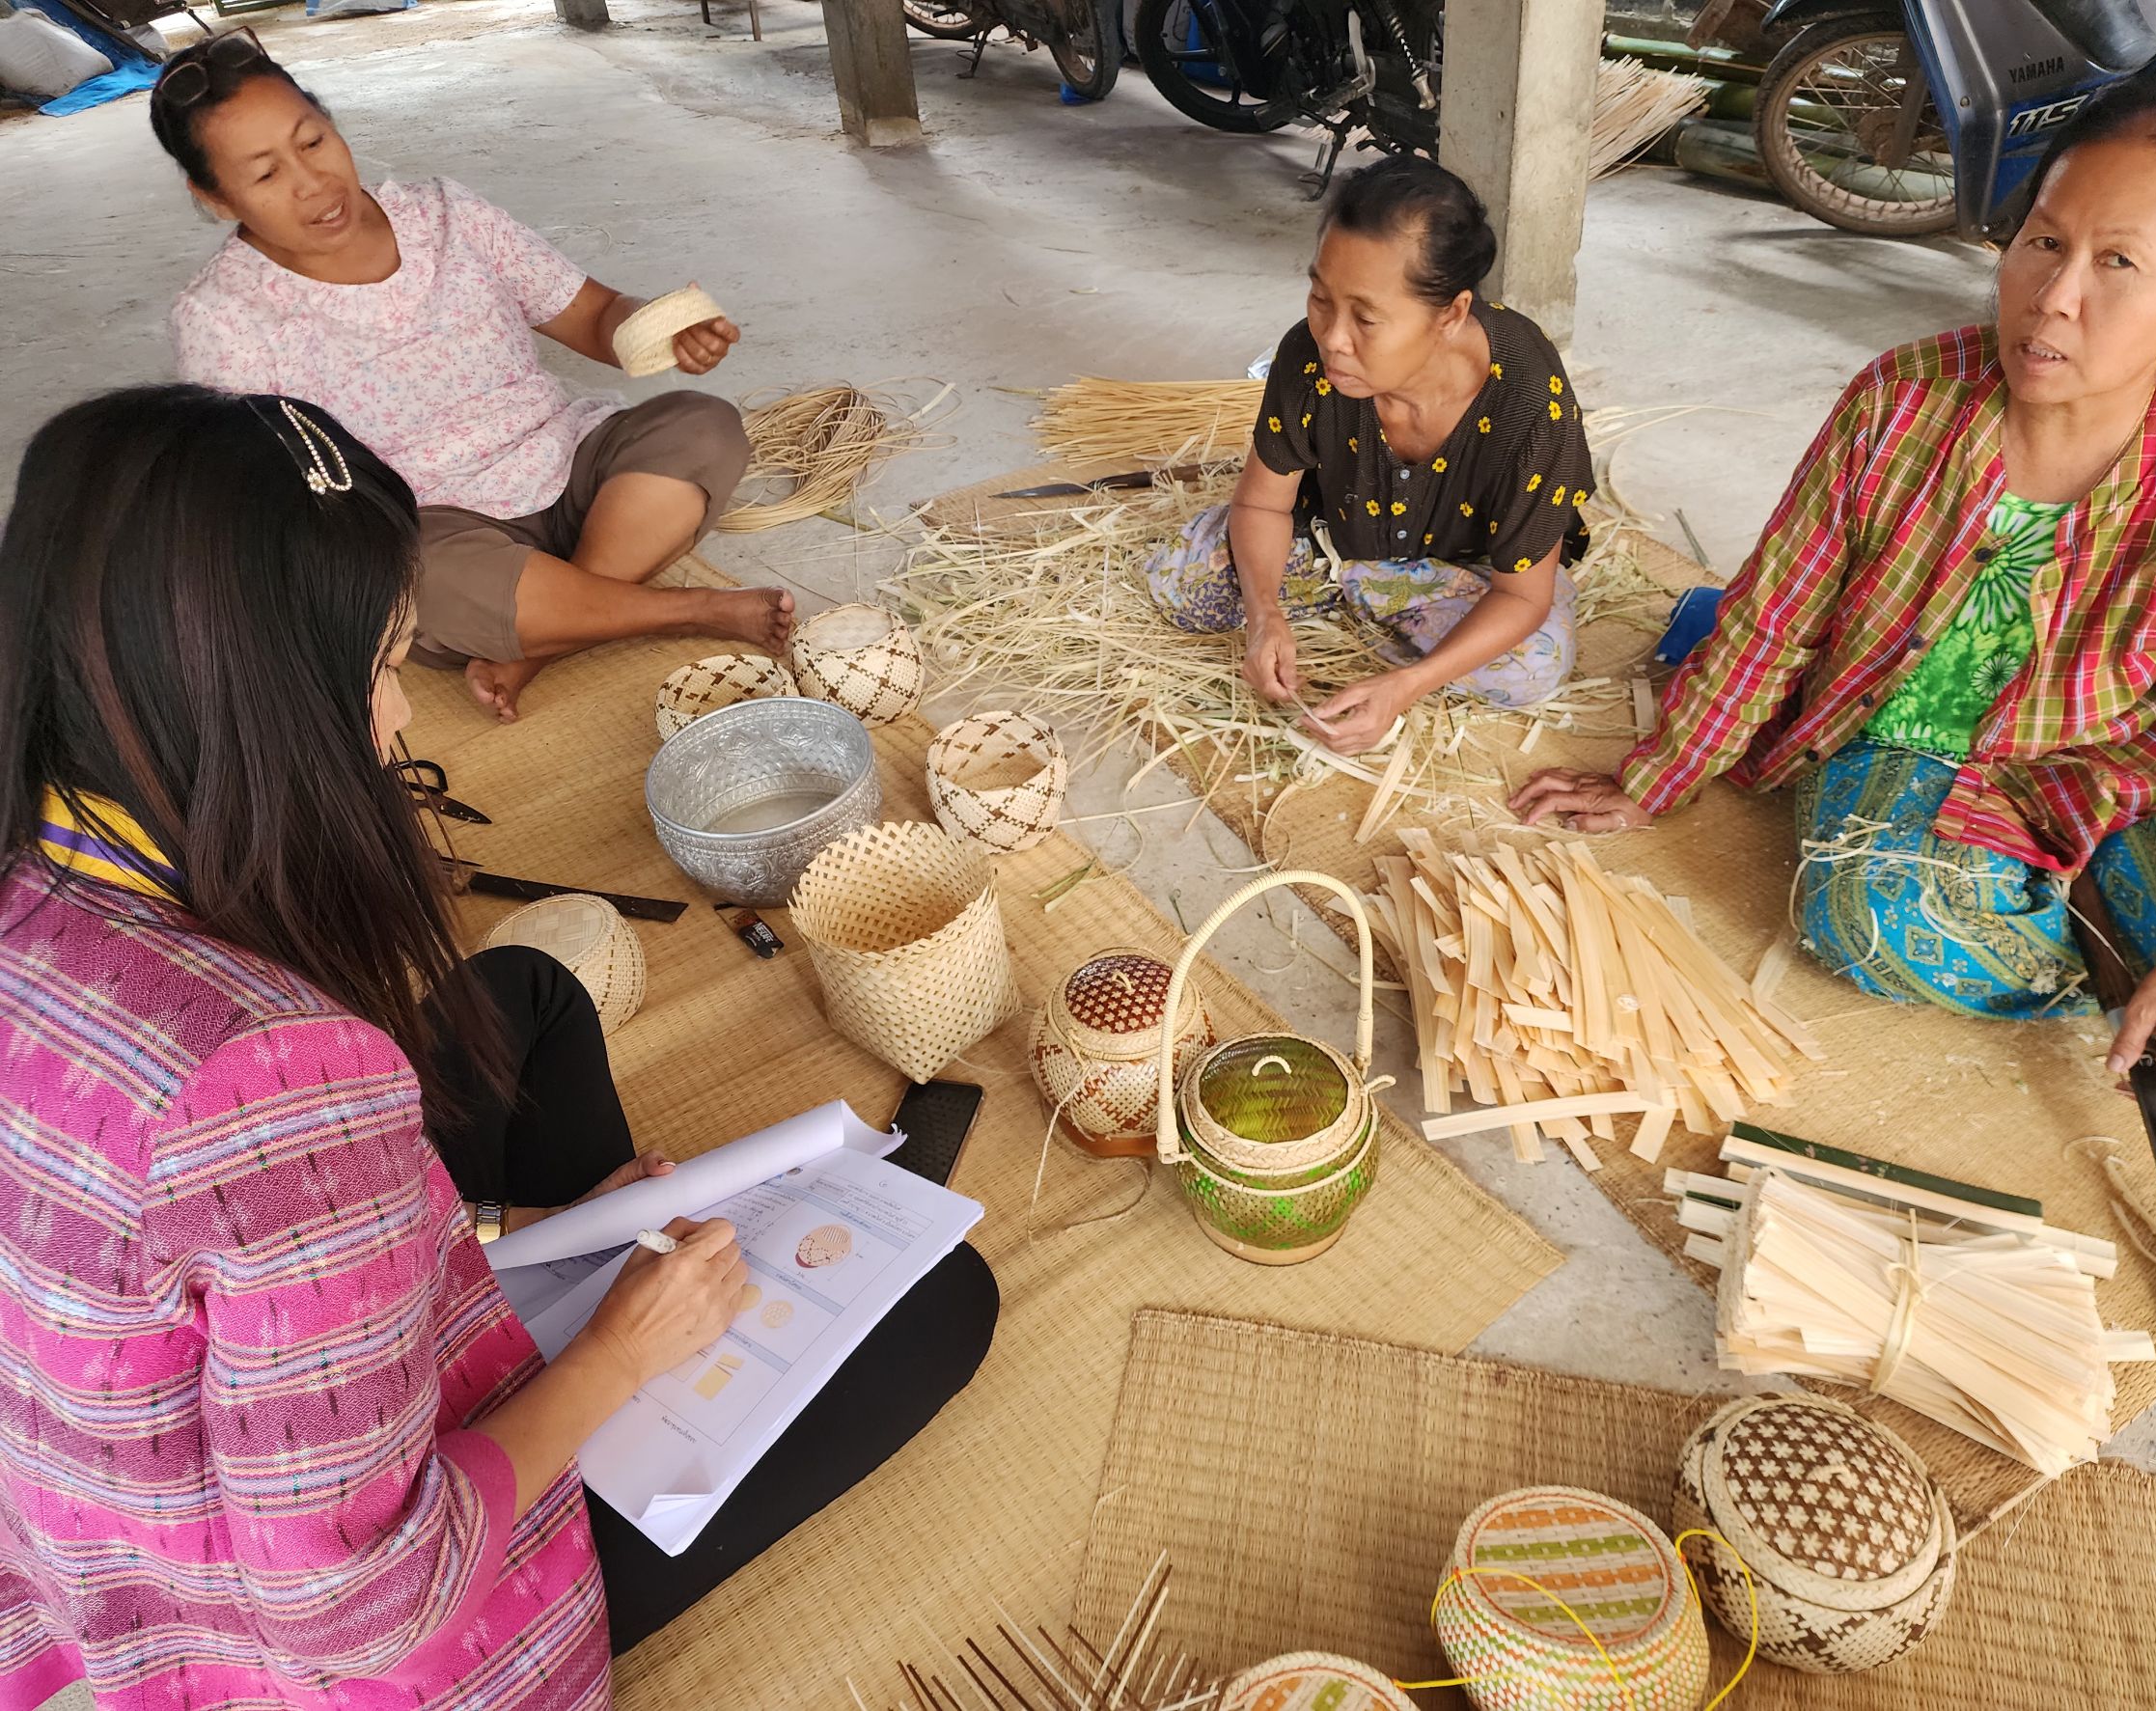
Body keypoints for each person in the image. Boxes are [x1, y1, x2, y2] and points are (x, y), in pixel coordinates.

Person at [0, 386, 998, 1707]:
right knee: (942, 1300)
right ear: (264, 707)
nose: (401, 719)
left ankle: (570, 1269)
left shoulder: (41, 877)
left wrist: (502, 1228)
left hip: (112, 1519)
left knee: (524, 992)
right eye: (378, 668)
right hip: (328, 1643)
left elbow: (188, 1262)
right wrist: (616, 1356)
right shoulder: (265, 1078)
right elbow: (359, 1605)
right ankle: (621, 1370)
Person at [1511, 78, 2156, 1147]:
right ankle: (2107, 963)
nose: (2054, 298)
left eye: (2119, 263)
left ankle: (2130, 947)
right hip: (1904, 743)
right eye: (2042, 242)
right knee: (1866, 911)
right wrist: (1658, 776)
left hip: (2114, 758)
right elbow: (1774, 616)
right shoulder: (1902, 400)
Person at [152, 30, 793, 724]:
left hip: (568, 466)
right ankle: (688, 610)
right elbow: (261, 499)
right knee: (411, 581)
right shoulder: (223, 318)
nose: (313, 183)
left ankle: (543, 641)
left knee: (703, 427)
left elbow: (593, 315)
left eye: (312, 141)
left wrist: (660, 327)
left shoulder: (445, 214)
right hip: (433, 531)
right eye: (266, 175)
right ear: (214, 196)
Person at [1146, 155, 1595, 757]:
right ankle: (1364, 601)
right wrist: (1265, 616)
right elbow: (1262, 505)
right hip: (1330, 543)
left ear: (1451, 314)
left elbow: (1522, 595)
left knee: (1530, 667)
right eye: (1320, 297)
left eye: (1366, 317)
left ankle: (1372, 609)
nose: (1333, 338)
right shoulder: (1308, 357)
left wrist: (1407, 686)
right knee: (1181, 582)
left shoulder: (1532, 400)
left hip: (1458, 571)